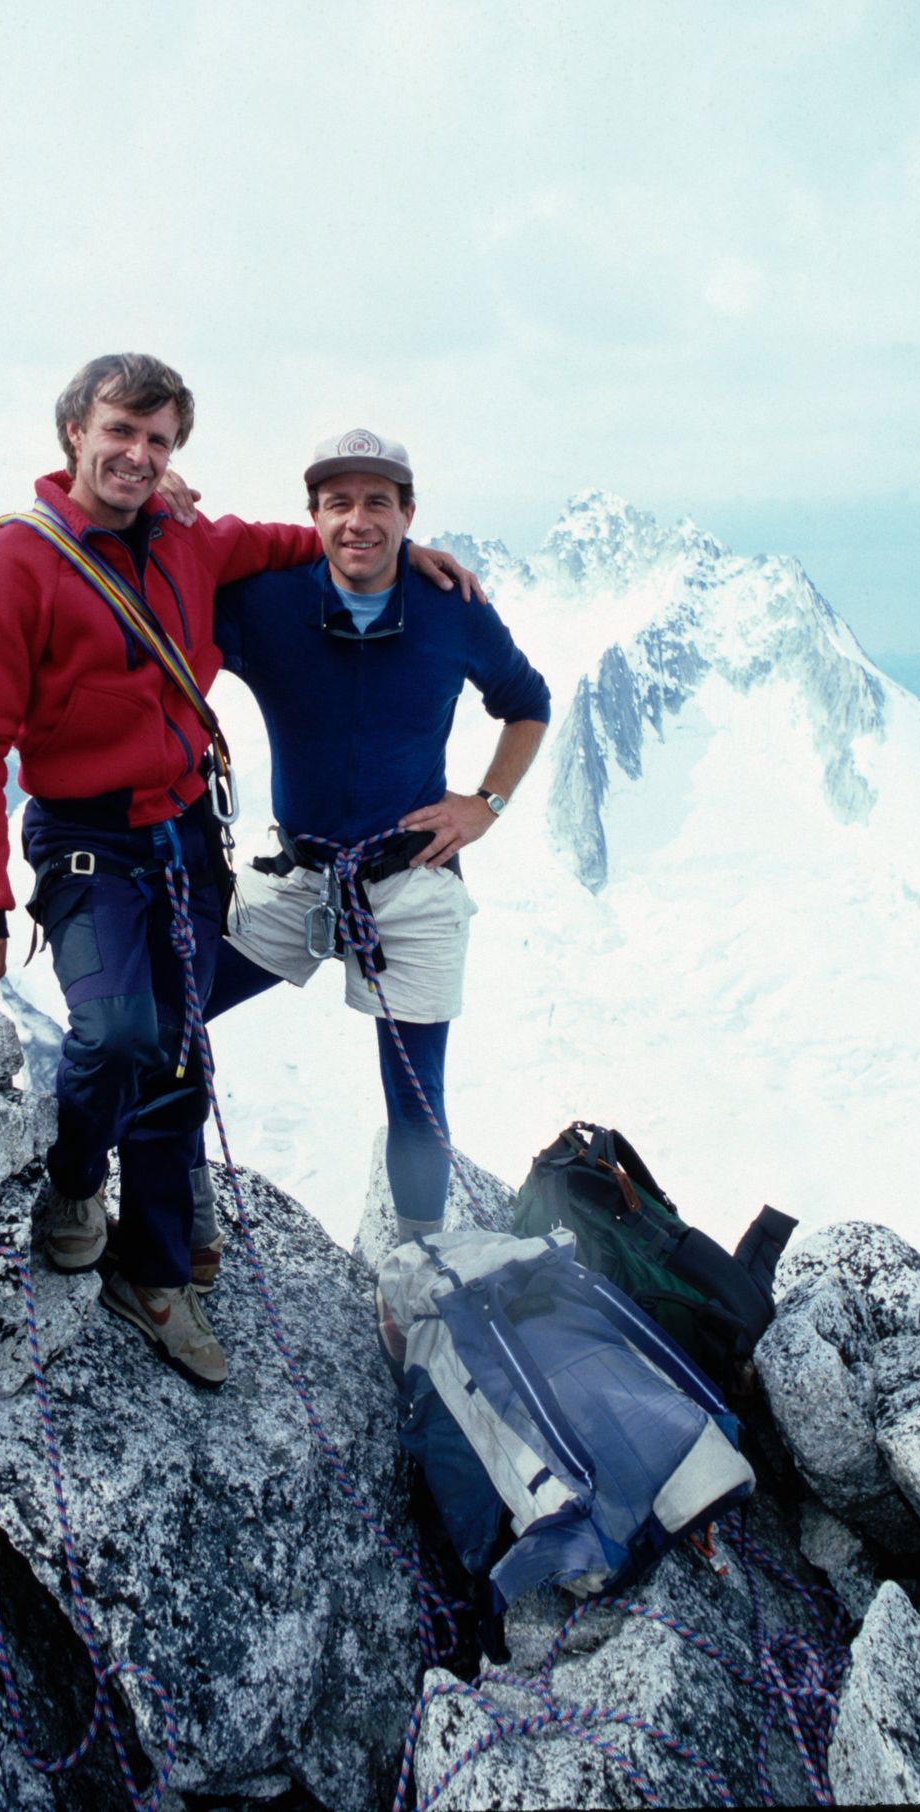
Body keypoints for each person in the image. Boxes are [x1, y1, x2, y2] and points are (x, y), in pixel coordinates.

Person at [0, 357, 477, 1387]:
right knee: (119, 1031)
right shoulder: (8, 570)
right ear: (73, 434)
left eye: (161, 440)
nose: (139, 455)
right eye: (122, 431)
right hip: (87, 841)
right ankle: (78, 1177)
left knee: (177, 1048)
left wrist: (405, 550)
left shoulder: (189, 541)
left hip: (187, 833)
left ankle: (158, 1272)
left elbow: (292, 541)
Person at [193, 428, 549, 1265]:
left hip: (410, 879)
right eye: (340, 502)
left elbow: (525, 701)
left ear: (408, 513)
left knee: (418, 1103)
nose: (359, 520)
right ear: (312, 515)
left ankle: (422, 1271)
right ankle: (179, 1208)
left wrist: (485, 804)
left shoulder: (450, 611)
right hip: (300, 876)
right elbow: (171, 590)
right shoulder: (268, 600)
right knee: (173, 1014)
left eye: (378, 503)